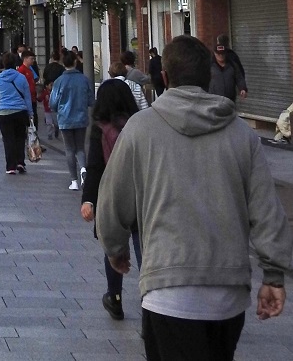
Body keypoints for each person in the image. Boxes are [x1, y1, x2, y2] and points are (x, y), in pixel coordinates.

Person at [98, 35, 292, 361]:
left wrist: (115, 248)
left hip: (166, 290)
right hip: (228, 294)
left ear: (165, 77)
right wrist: (273, 275)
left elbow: (112, 200)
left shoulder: (140, 129)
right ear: (209, 78)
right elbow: (267, 211)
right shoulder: (241, 135)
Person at [80, 79, 141, 322]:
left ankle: (115, 297)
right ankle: (150, 303)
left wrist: (88, 200)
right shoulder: (140, 126)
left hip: (112, 197)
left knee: (113, 245)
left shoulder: (99, 129)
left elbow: (94, 167)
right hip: (140, 195)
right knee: (143, 247)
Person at [49, 51, 93, 190]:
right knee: (80, 147)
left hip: (65, 118)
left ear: (63, 63)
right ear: (75, 62)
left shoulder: (59, 81)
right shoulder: (84, 79)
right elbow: (91, 100)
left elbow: (53, 103)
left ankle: (74, 180)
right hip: (81, 117)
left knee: (69, 149)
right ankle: (84, 169)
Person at [0, 52, 32, 175]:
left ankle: (10, 166)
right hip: (20, 111)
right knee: (20, 138)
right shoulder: (21, 78)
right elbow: (27, 97)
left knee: (8, 140)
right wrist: (30, 112)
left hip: (4, 112)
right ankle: (20, 162)